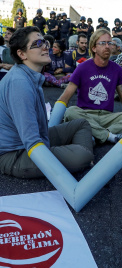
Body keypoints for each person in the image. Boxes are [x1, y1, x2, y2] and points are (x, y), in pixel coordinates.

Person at [0, 26, 94, 179]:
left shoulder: (29, 74)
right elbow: (32, 142)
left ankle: (84, 158)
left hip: (36, 138)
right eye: (37, 44)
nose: (45, 46)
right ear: (22, 54)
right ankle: (86, 159)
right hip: (15, 154)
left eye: (44, 42)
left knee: (81, 124)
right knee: (82, 156)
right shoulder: (19, 83)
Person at [54, 29, 122, 144]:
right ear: (93, 48)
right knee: (70, 112)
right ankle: (108, 136)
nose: (107, 46)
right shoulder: (82, 68)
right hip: (85, 116)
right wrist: (53, 121)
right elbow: (65, 97)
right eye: (102, 43)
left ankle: (99, 134)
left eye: (109, 43)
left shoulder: (116, 69)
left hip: (108, 117)